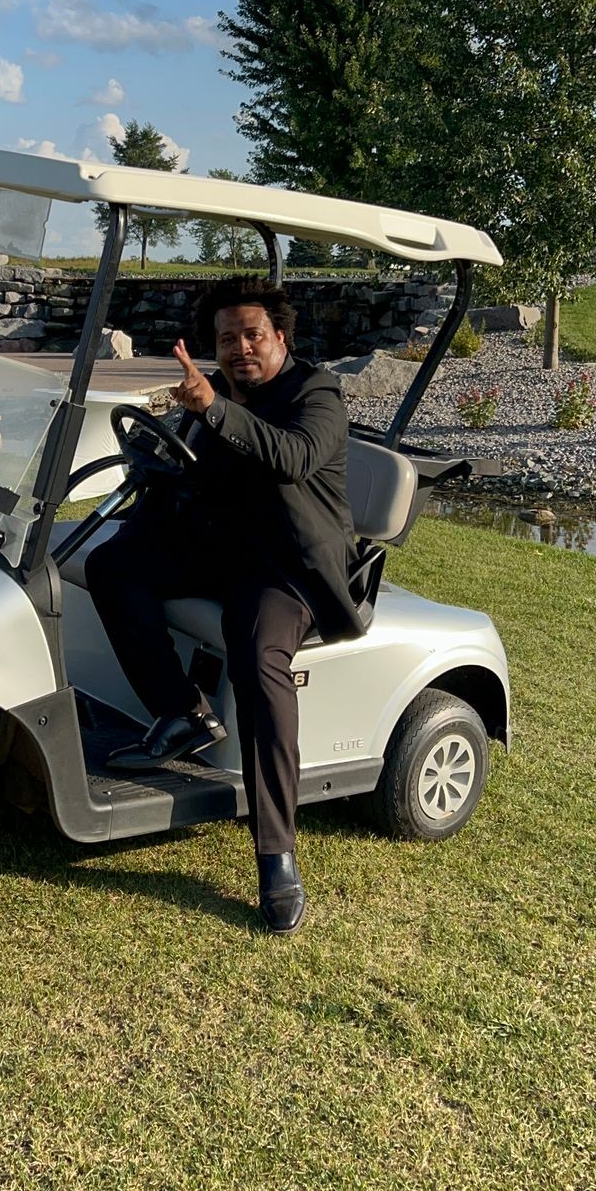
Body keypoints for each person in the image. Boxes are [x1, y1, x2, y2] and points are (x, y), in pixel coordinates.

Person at [85, 277, 356, 934]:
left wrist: (212, 409)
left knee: (257, 653)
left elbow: (291, 458)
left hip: (289, 567)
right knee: (111, 565)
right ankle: (180, 712)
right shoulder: (212, 389)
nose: (239, 349)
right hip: (222, 548)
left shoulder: (315, 394)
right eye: (227, 338)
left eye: (252, 335)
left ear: (280, 338)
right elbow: (199, 471)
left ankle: (276, 852)